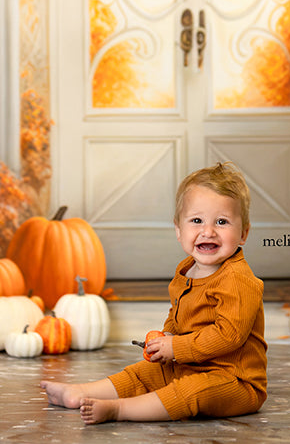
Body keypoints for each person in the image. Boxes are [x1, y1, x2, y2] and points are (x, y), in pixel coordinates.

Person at [40, 161, 267, 424]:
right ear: (178, 230)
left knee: (189, 392)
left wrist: (176, 346)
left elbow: (229, 336)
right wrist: (168, 334)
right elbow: (178, 312)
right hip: (188, 364)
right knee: (144, 373)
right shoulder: (186, 269)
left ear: (243, 233)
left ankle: (119, 409)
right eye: (196, 220)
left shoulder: (239, 280)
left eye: (222, 221)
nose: (208, 231)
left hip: (234, 381)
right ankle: (79, 392)